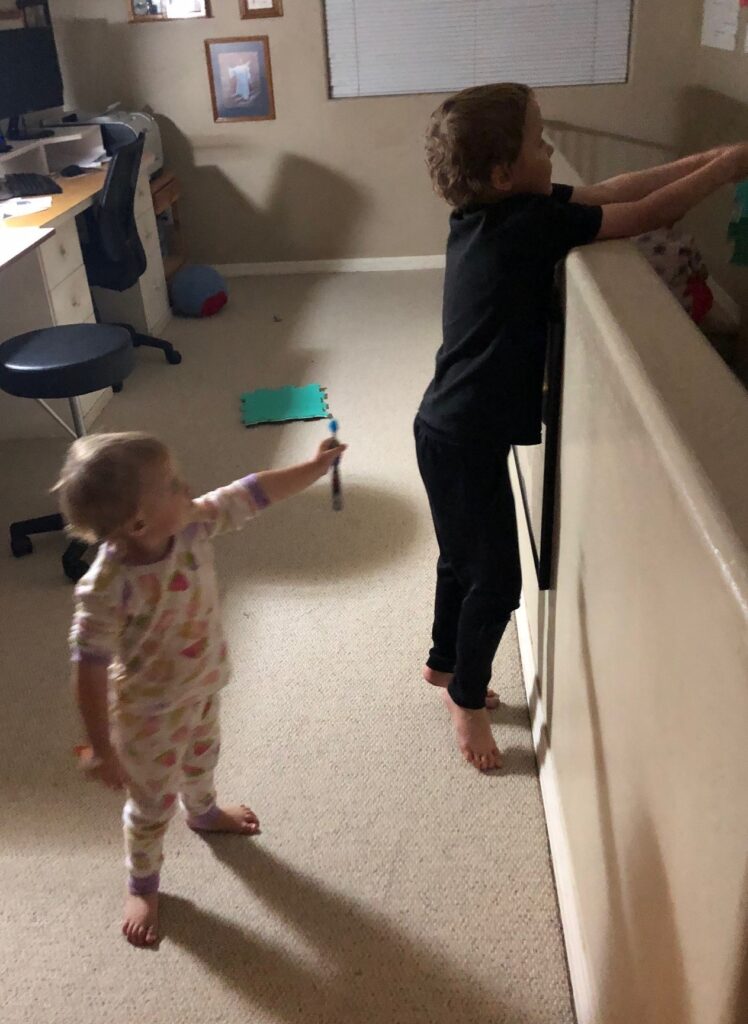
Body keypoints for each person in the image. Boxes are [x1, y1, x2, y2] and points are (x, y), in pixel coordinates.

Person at [415, 82, 748, 772]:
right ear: (506, 172)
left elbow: (618, 188)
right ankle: (467, 699)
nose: (550, 149)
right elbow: (647, 212)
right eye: (540, 142)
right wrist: (729, 168)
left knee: (460, 557)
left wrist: (708, 154)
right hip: (466, 438)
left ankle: (444, 664)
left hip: (443, 426)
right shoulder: (532, 224)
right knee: (498, 579)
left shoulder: (492, 214)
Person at [55, 430, 346, 946]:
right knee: (149, 804)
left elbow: (252, 492)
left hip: (205, 682)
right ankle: (143, 884)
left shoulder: (192, 521)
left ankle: (204, 810)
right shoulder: (105, 587)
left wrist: (312, 469)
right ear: (138, 522)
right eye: (170, 483)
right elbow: (90, 668)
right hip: (147, 714)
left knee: (203, 756)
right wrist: (102, 747)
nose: (186, 486)